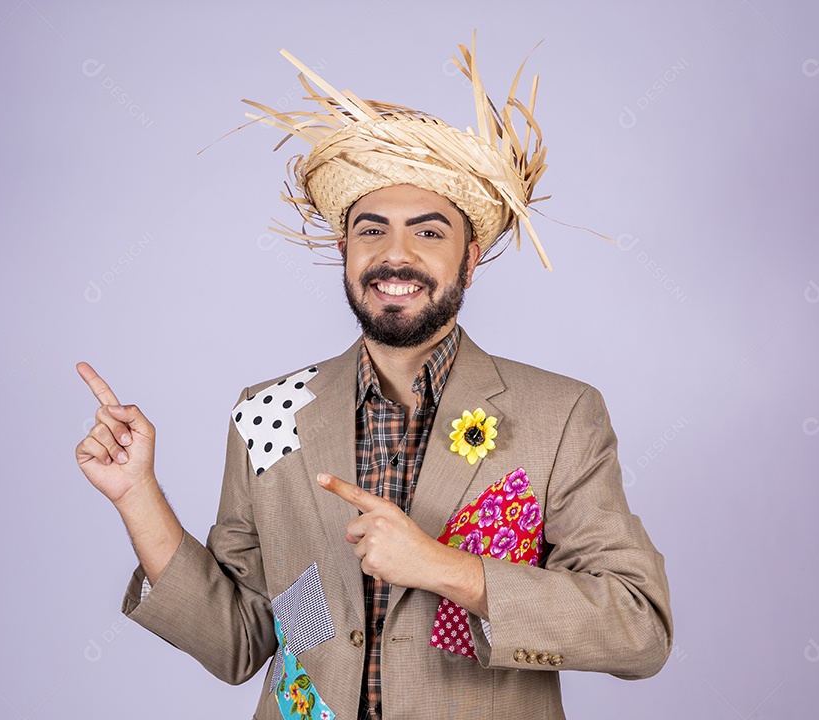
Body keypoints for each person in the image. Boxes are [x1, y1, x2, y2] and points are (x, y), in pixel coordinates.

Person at [75, 36, 672, 720]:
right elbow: (239, 643)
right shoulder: (268, 413)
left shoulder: (559, 415)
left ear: (470, 258)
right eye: (371, 231)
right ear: (344, 250)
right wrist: (137, 496)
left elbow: (639, 628)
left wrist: (447, 570)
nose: (396, 256)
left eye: (427, 233)